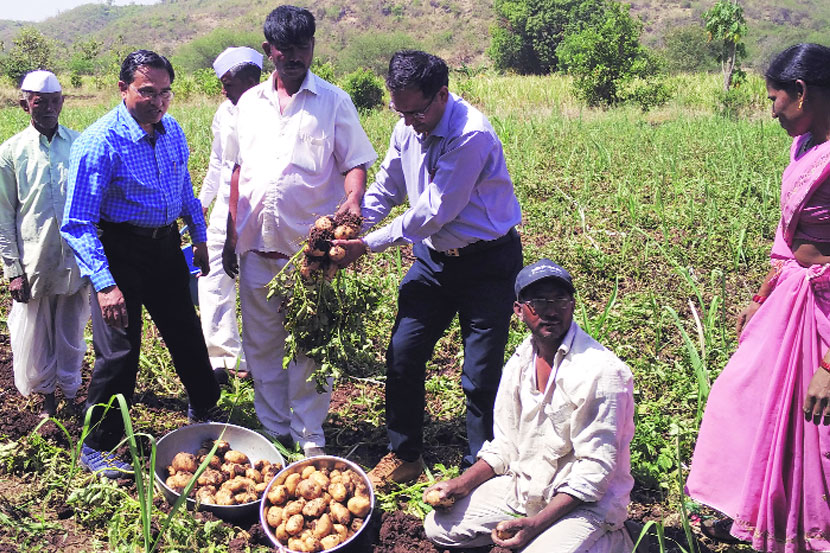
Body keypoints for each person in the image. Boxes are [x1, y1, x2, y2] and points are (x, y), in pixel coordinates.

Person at [334, 50, 523, 485]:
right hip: (435, 261)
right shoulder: (408, 125)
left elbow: (433, 213)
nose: (407, 121)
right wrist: (350, 222)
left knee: (479, 375)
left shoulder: (470, 135)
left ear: (442, 94)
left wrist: (367, 245)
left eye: (415, 112)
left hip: (487, 263)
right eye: (398, 111)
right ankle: (405, 455)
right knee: (403, 352)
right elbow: (387, 185)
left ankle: (481, 469)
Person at [686, 43, 830, 552]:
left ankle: (807, 530)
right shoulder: (806, 145)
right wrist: (764, 290)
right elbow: (787, 235)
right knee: (748, 401)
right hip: (791, 294)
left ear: (802, 92)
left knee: (816, 431)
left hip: (826, 308)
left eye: (775, 99)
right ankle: (760, 511)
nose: (771, 112)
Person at [221, 5, 376, 457]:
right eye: (284, 50)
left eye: (302, 48)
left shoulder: (333, 101)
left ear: (313, 46)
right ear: (269, 50)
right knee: (262, 347)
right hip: (257, 251)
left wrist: (353, 201)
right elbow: (236, 171)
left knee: (309, 347)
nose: (294, 58)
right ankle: (273, 432)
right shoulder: (248, 104)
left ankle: (309, 435)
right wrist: (233, 235)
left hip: (309, 256)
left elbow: (355, 163)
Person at [61, 50, 222, 478]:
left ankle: (204, 407)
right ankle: (99, 445)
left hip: (166, 246)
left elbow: (183, 185)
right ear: (123, 89)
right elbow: (77, 224)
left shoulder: (171, 131)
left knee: (185, 330)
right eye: (147, 91)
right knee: (120, 351)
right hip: (120, 252)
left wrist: (199, 237)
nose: (159, 101)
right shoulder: (100, 143)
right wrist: (104, 283)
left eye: (166, 92)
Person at [421, 259, 635, 553]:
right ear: (519, 310)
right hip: (527, 490)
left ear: (572, 305)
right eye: (538, 302)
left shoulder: (601, 372)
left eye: (560, 299)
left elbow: (595, 472)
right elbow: (505, 444)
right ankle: (544, 537)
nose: (550, 310)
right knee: (439, 528)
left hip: (586, 504)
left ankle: (616, 541)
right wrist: (463, 483)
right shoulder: (520, 362)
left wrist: (538, 524)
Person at [0, 70, 89, 418]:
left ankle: (70, 393)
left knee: (70, 331)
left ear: (63, 102)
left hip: (73, 260)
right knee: (37, 334)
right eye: (40, 103)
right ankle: (47, 400)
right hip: (34, 259)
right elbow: (5, 215)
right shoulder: (11, 152)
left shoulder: (79, 144)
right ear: (25, 105)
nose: (49, 109)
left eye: (54, 102)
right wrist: (13, 271)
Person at [198, 46, 262, 383]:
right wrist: (201, 202)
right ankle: (223, 358)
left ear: (251, 80)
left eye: (229, 83)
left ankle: (258, 358)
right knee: (213, 280)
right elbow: (218, 163)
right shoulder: (224, 112)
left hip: (256, 211)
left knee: (255, 283)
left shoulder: (270, 112)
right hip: (223, 208)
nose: (224, 90)